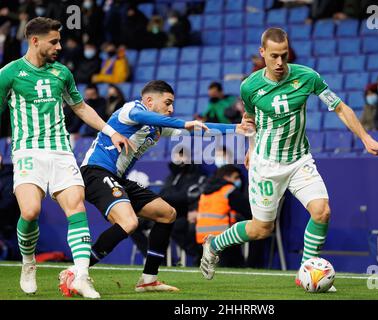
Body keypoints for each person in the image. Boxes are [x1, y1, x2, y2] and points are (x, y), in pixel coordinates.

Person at [199, 28, 378, 290]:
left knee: (322, 212)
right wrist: (250, 148)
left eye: (284, 55)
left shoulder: (307, 77)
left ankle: (306, 271)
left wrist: (365, 138)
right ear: (262, 54)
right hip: (266, 165)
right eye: (273, 56)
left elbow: (339, 106)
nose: (280, 63)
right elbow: (251, 120)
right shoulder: (249, 86)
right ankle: (215, 243)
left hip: (299, 160)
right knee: (261, 229)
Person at [58, 80, 253, 294]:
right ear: (149, 101)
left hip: (117, 178)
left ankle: (148, 279)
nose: (171, 109)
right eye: (167, 103)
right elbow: (144, 117)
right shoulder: (132, 109)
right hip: (95, 172)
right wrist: (182, 123)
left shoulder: (158, 126)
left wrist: (236, 128)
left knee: (167, 214)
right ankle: (77, 272)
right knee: (129, 222)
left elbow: (199, 131)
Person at [0, 17, 131, 298]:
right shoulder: (9, 73)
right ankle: (28, 262)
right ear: (35, 41)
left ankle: (82, 276)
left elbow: (81, 108)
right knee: (30, 212)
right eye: (54, 41)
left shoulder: (62, 73)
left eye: (59, 41)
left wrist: (111, 132)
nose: (59, 46)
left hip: (61, 151)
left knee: (76, 208)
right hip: (27, 151)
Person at [195, 164, 251, 268]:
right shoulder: (229, 190)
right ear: (226, 177)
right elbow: (248, 211)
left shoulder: (205, 191)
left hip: (201, 239)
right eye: (236, 177)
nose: (239, 180)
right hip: (223, 240)